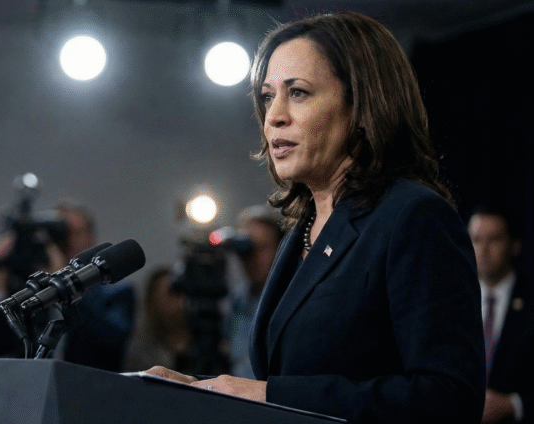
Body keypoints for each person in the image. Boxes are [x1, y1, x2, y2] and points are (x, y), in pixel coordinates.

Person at [145, 11, 485, 423]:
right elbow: (296, 378)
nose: (274, 116)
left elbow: (448, 398)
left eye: (299, 93)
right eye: (268, 96)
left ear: (362, 105)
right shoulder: (302, 230)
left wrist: (268, 395)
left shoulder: (413, 218)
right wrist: (200, 388)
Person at [0, 201, 136, 371]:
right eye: (61, 233)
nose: (68, 242)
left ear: (91, 237)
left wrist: (67, 283)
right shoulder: (37, 285)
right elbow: (1, 345)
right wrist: (0, 275)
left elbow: (110, 339)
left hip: (91, 384)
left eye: (74, 233)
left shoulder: (116, 291)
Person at [468, 206, 534, 424]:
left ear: (515, 245)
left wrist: (514, 404)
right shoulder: (450, 302)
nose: (483, 249)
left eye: (494, 239)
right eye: (476, 239)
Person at [224, 205, 284, 379]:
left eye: (264, 248)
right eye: (249, 248)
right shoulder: (239, 300)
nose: (254, 256)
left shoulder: (289, 298)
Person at [123, 266, 191, 372]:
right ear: (154, 301)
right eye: (170, 294)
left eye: (179, 293)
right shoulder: (142, 346)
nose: (178, 300)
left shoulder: (201, 336)